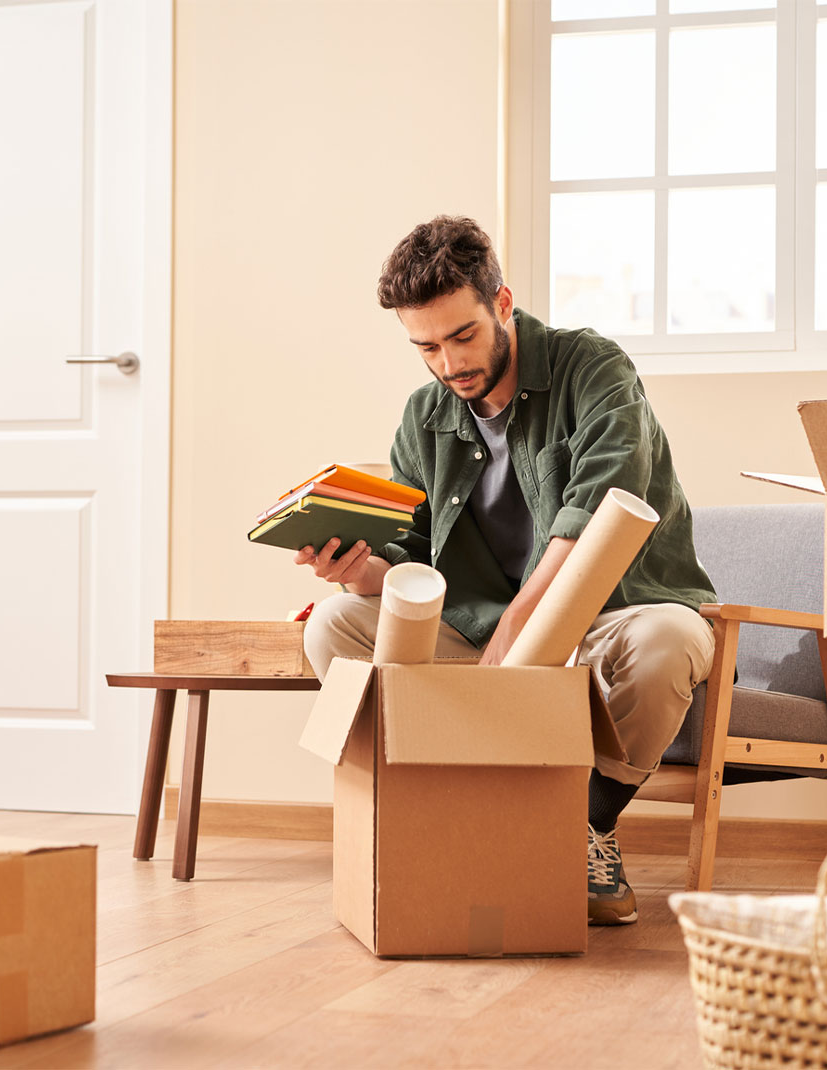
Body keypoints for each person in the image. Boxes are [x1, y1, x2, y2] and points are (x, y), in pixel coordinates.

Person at [297, 215, 717, 926]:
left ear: (501, 303)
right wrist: (362, 572)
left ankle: (582, 824)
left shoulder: (594, 369)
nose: (448, 364)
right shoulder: (423, 416)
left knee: (670, 642)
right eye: (425, 347)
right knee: (335, 627)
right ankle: (428, 817)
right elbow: (417, 560)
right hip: (481, 634)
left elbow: (599, 516)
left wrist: (516, 635)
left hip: (610, 617)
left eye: (462, 336)